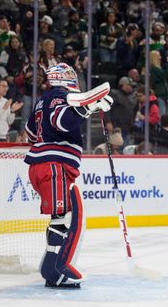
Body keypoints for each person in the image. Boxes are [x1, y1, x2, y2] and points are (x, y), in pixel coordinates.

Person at [24, 63, 113, 289]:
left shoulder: (42, 99)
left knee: (63, 216)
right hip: (53, 164)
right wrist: (89, 108)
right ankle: (56, 269)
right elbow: (62, 122)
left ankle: (51, 264)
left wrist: (90, 107)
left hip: (45, 164)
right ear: (63, 78)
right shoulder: (59, 96)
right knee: (66, 217)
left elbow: (31, 132)